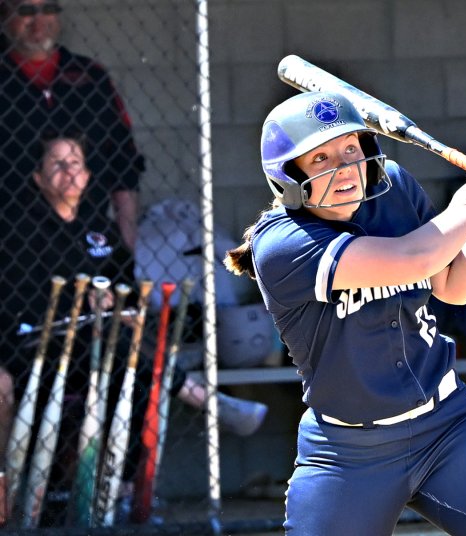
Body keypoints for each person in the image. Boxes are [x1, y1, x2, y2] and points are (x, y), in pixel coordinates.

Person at [224, 91, 466, 535]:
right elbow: (415, 257)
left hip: (449, 428)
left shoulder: (392, 188)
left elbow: (451, 284)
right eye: (321, 159)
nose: (344, 168)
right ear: (287, 177)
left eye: (351, 149)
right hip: (349, 452)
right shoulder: (283, 243)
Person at [0, 133, 267, 525]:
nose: (67, 171)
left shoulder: (100, 232)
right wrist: (80, 298)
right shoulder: (20, 233)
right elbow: (19, 302)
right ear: (39, 177)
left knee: (138, 372)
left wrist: (113, 305)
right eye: (56, 163)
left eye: (75, 162)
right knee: (132, 358)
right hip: (37, 343)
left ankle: (122, 493)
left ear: (89, 175)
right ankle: (211, 401)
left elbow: (125, 291)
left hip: (95, 344)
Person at [0, 0, 142, 250]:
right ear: (4, 14)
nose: (39, 21)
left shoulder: (90, 76)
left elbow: (124, 161)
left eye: (49, 9)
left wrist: (126, 239)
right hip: (11, 240)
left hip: (86, 235)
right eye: (26, 11)